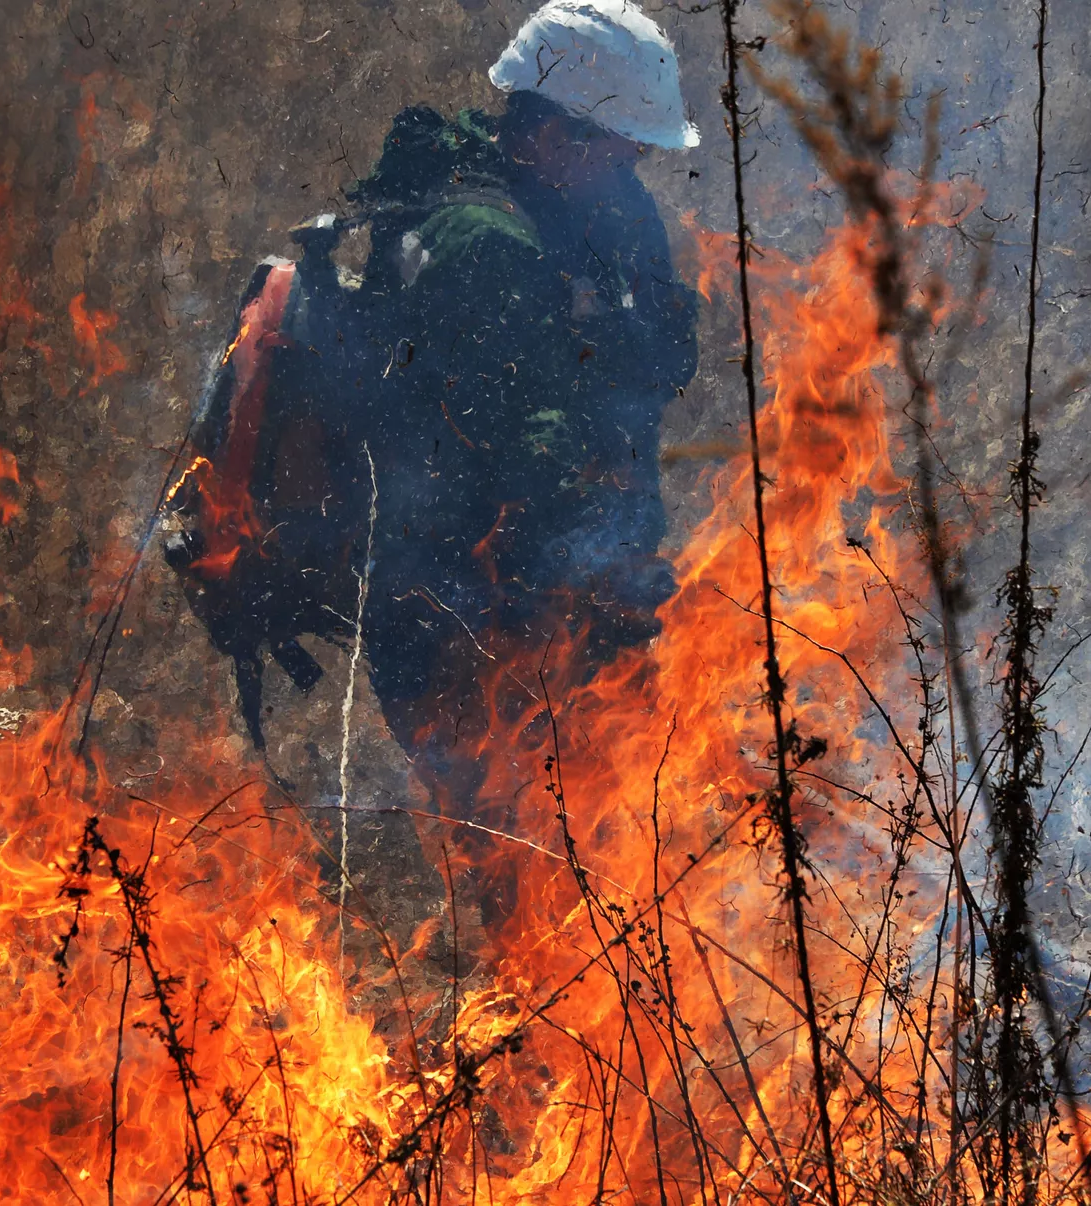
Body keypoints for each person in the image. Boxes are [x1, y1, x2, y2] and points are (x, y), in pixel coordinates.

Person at [165, 0, 700, 807]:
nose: (635, 167)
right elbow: (529, 454)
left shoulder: (573, 207)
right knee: (529, 837)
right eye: (621, 148)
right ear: (554, 134)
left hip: (524, 594)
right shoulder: (485, 242)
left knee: (594, 832)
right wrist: (610, 588)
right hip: (461, 611)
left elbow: (660, 360)